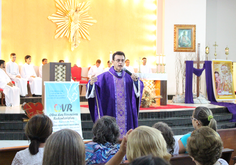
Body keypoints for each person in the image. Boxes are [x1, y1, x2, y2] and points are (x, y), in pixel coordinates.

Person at [86, 51, 144, 137]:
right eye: (118, 60)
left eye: (122, 60)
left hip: (126, 114)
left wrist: (136, 82)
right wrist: (91, 85)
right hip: (110, 111)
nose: (120, 62)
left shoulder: (129, 77)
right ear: (112, 62)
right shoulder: (104, 77)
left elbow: (138, 88)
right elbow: (93, 87)